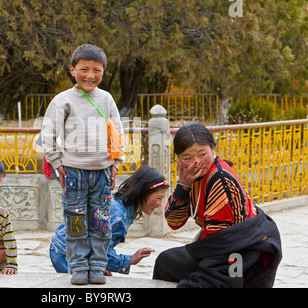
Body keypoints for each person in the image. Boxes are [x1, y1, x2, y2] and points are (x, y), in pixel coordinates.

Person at [152, 122, 282, 288]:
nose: (196, 163)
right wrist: (183, 186)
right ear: (178, 160)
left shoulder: (220, 181)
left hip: (243, 253)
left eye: (202, 154)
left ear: (213, 148)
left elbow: (223, 247)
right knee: (166, 261)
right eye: (188, 158)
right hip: (220, 245)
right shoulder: (191, 178)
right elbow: (174, 222)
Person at [41, 44, 125, 285]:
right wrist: (57, 163)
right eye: (84, 69)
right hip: (74, 173)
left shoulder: (107, 99)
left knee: (101, 220)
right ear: (72, 69)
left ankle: (97, 266)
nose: (90, 75)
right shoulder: (63, 100)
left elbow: (118, 131)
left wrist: (116, 163)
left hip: (102, 172)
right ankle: (78, 267)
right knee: (75, 219)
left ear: (103, 72)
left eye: (96, 70)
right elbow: (48, 134)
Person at [50, 166, 169, 276]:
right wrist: (128, 260)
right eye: (158, 198)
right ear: (141, 192)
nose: (159, 204)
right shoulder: (118, 215)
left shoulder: (121, 208)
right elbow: (99, 249)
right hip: (66, 252)